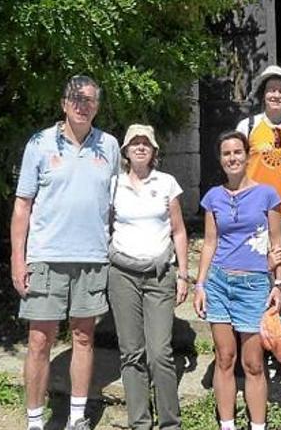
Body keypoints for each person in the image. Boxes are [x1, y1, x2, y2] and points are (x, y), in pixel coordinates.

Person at [10, 75, 119, 430]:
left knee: (84, 337)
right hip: (45, 256)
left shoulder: (110, 146)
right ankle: (35, 421)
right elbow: (22, 206)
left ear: (97, 106)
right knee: (40, 340)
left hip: (92, 257)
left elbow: (117, 205)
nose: (82, 104)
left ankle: (76, 417)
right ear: (63, 103)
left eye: (89, 100)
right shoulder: (39, 144)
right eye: (75, 98)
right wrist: (17, 257)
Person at [193, 131, 281, 430]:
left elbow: (276, 243)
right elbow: (209, 243)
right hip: (219, 283)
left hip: (254, 285)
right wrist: (200, 285)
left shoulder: (268, 195)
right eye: (226, 153)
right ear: (220, 160)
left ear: (248, 155)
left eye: (237, 152)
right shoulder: (213, 198)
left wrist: (278, 285)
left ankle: (258, 425)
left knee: (254, 363)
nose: (232, 158)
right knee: (224, 357)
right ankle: (227, 424)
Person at [107, 124, 189, 430]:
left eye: (146, 143)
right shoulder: (113, 184)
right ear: (126, 151)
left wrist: (183, 273)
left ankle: (170, 423)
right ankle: (140, 422)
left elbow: (179, 230)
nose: (140, 147)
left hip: (159, 274)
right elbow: (107, 224)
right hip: (123, 275)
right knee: (131, 352)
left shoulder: (167, 182)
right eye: (134, 143)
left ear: (154, 150)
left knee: (159, 353)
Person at [236, 64, 281, 373]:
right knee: (255, 278)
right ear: (263, 94)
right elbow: (234, 165)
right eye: (271, 89)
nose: (277, 94)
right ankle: (254, 346)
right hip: (256, 214)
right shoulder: (248, 125)